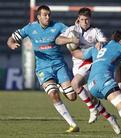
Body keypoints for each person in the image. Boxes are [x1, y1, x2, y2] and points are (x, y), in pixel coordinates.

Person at [7, 5, 80, 133]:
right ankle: (73, 124)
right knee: (53, 94)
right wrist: (12, 43)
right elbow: (11, 38)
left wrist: (74, 32)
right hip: (43, 68)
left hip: (59, 65)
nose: (48, 17)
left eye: (49, 14)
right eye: (45, 15)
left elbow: (71, 34)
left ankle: (64, 88)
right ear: (38, 17)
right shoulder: (30, 28)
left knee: (72, 96)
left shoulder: (58, 26)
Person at [56, 7, 121, 134]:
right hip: (77, 64)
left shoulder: (95, 31)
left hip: (90, 62)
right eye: (82, 20)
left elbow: (104, 41)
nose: (85, 22)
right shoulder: (72, 30)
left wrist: (99, 44)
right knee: (90, 96)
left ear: (90, 19)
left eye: (87, 19)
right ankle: (111, 119)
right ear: (78, 19)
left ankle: (92, 110)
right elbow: (58, 40)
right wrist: (70, 40)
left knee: (75, 84)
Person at [73, 30, 121, 137]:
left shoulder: (98, 46)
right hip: (103, 80)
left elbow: (80, 55)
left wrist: (72, 46)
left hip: (91, 85)